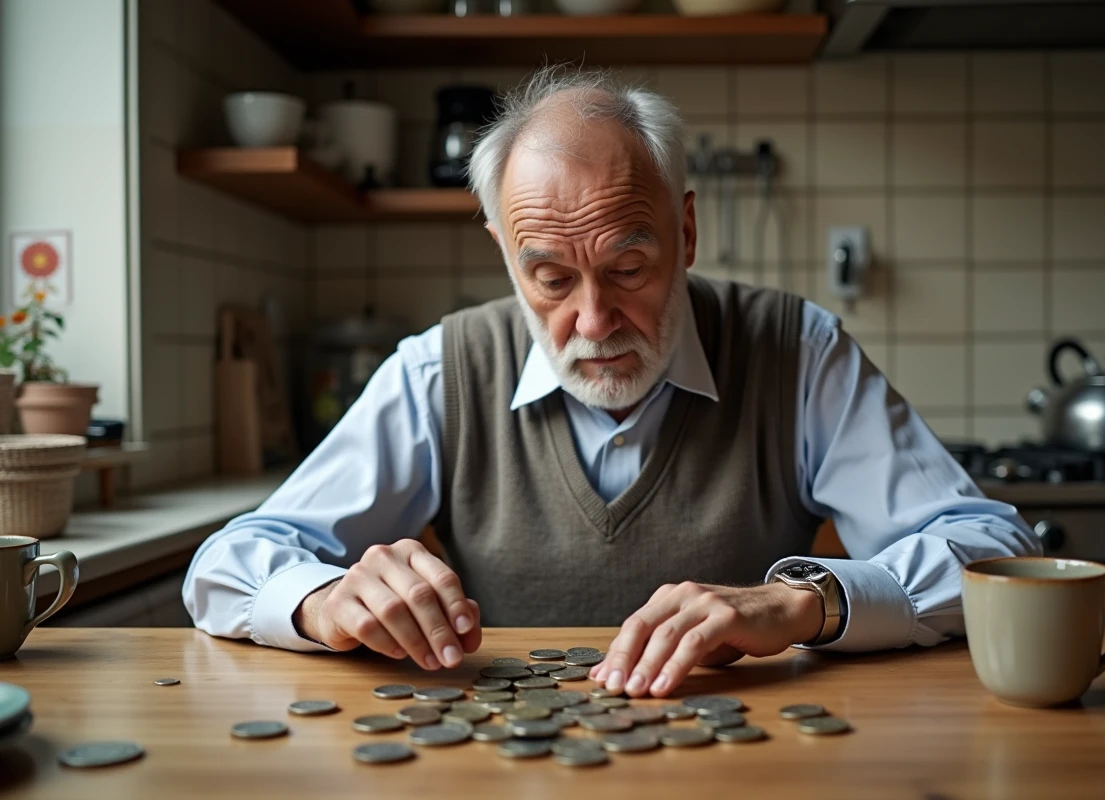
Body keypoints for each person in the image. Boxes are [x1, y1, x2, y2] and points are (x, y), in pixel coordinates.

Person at [184, 67, 1038, 699]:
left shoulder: (797, 349)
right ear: (504, 255)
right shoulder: (440, 370)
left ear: (688, 230)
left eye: (630, 265)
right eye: (550, 277)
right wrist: (325, 602)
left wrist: (803, 604)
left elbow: (998, 553)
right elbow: (226, 568)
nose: (594, 321)